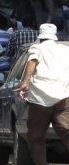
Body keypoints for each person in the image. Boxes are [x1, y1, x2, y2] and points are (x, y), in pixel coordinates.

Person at [17, 23, 69, 165]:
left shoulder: (37, 48)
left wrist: (26, 82)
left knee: (36, 137)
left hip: (40, 99)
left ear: (41, 37)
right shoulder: (66, 50)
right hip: (63, 98)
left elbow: (32, 62)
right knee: (66, 132)